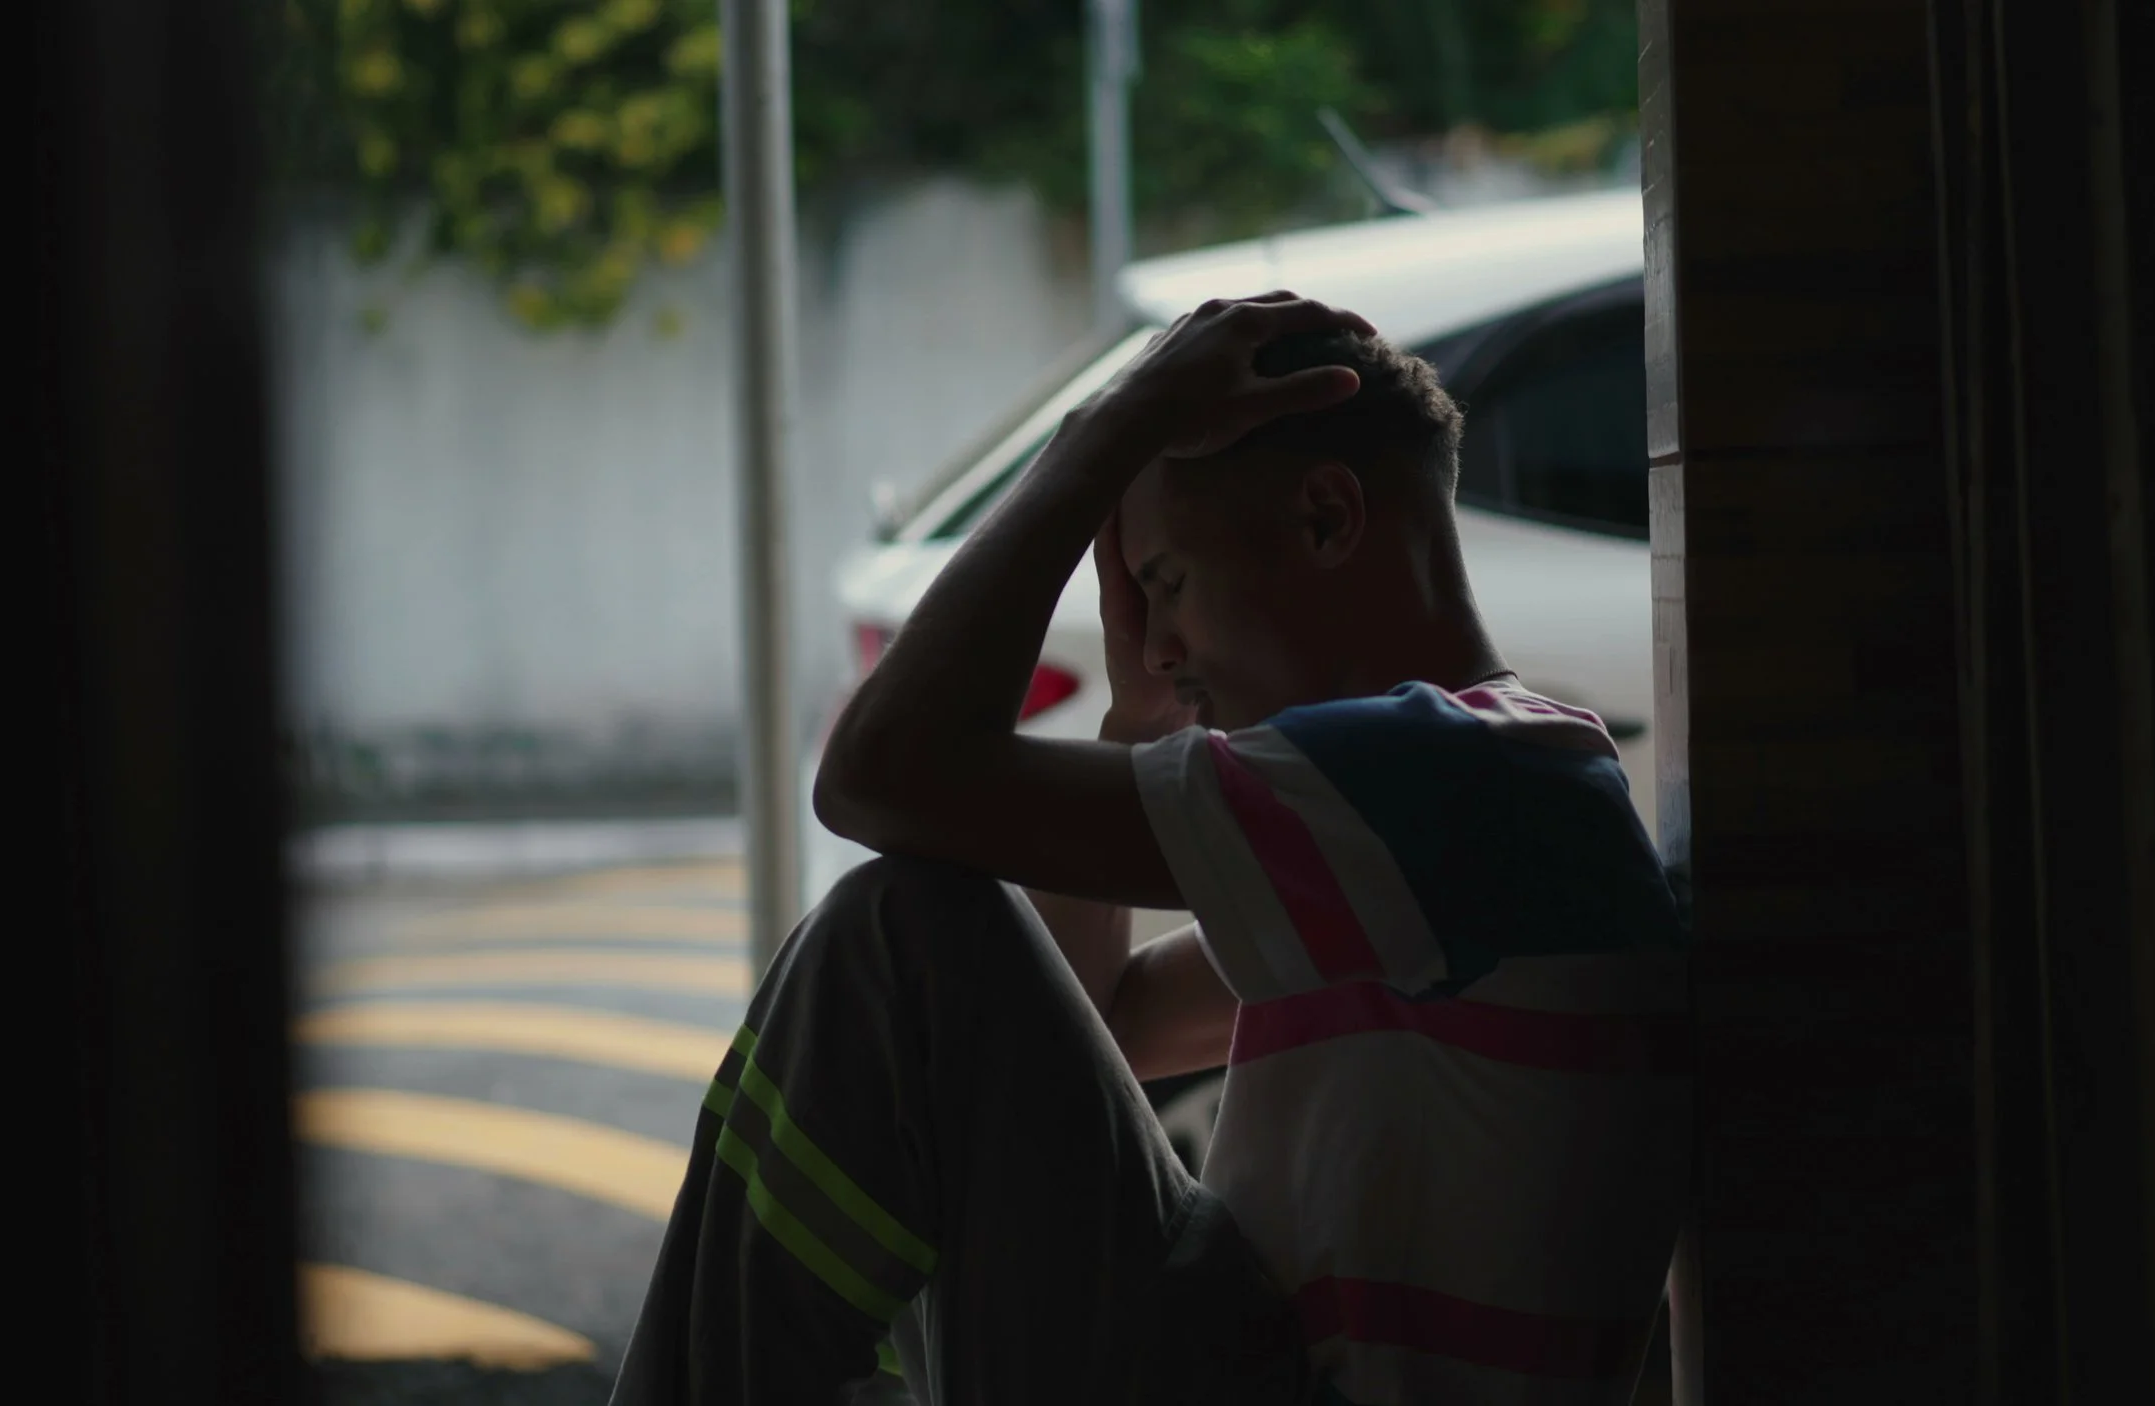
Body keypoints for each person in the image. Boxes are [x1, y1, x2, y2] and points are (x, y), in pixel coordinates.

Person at [610, 293, 1691, 1406]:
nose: (1162, 643)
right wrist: (1137, 727)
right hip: (1248, 1368)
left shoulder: (1467, 776)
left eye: (1166, 583)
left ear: (1325, 517)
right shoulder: (1444, 826)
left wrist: (1097, 442)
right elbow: (1102, 1019)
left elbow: (878, 773)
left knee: (898, 928)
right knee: (910, 947)